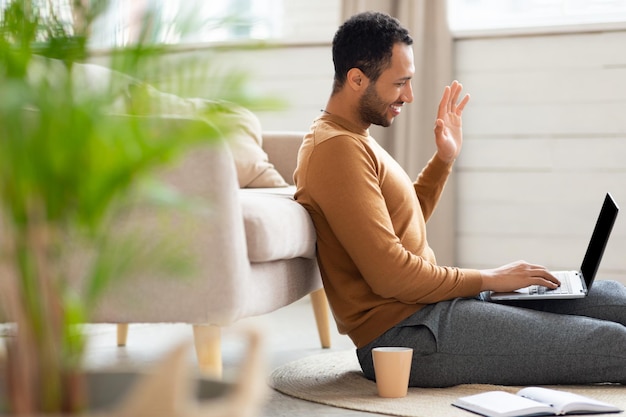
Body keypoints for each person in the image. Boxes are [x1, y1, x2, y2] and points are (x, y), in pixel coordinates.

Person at [293, 11, 626, 387]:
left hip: (431, 308)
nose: (409, 96)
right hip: (405, 336)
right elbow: (391, 275)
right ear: (357, 79)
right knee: (611, 344)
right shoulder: (335, 150)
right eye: (399, 83)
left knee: (616, 300)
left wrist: (444, 159)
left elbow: (404, 224)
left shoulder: (354, 138)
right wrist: (489, 278)